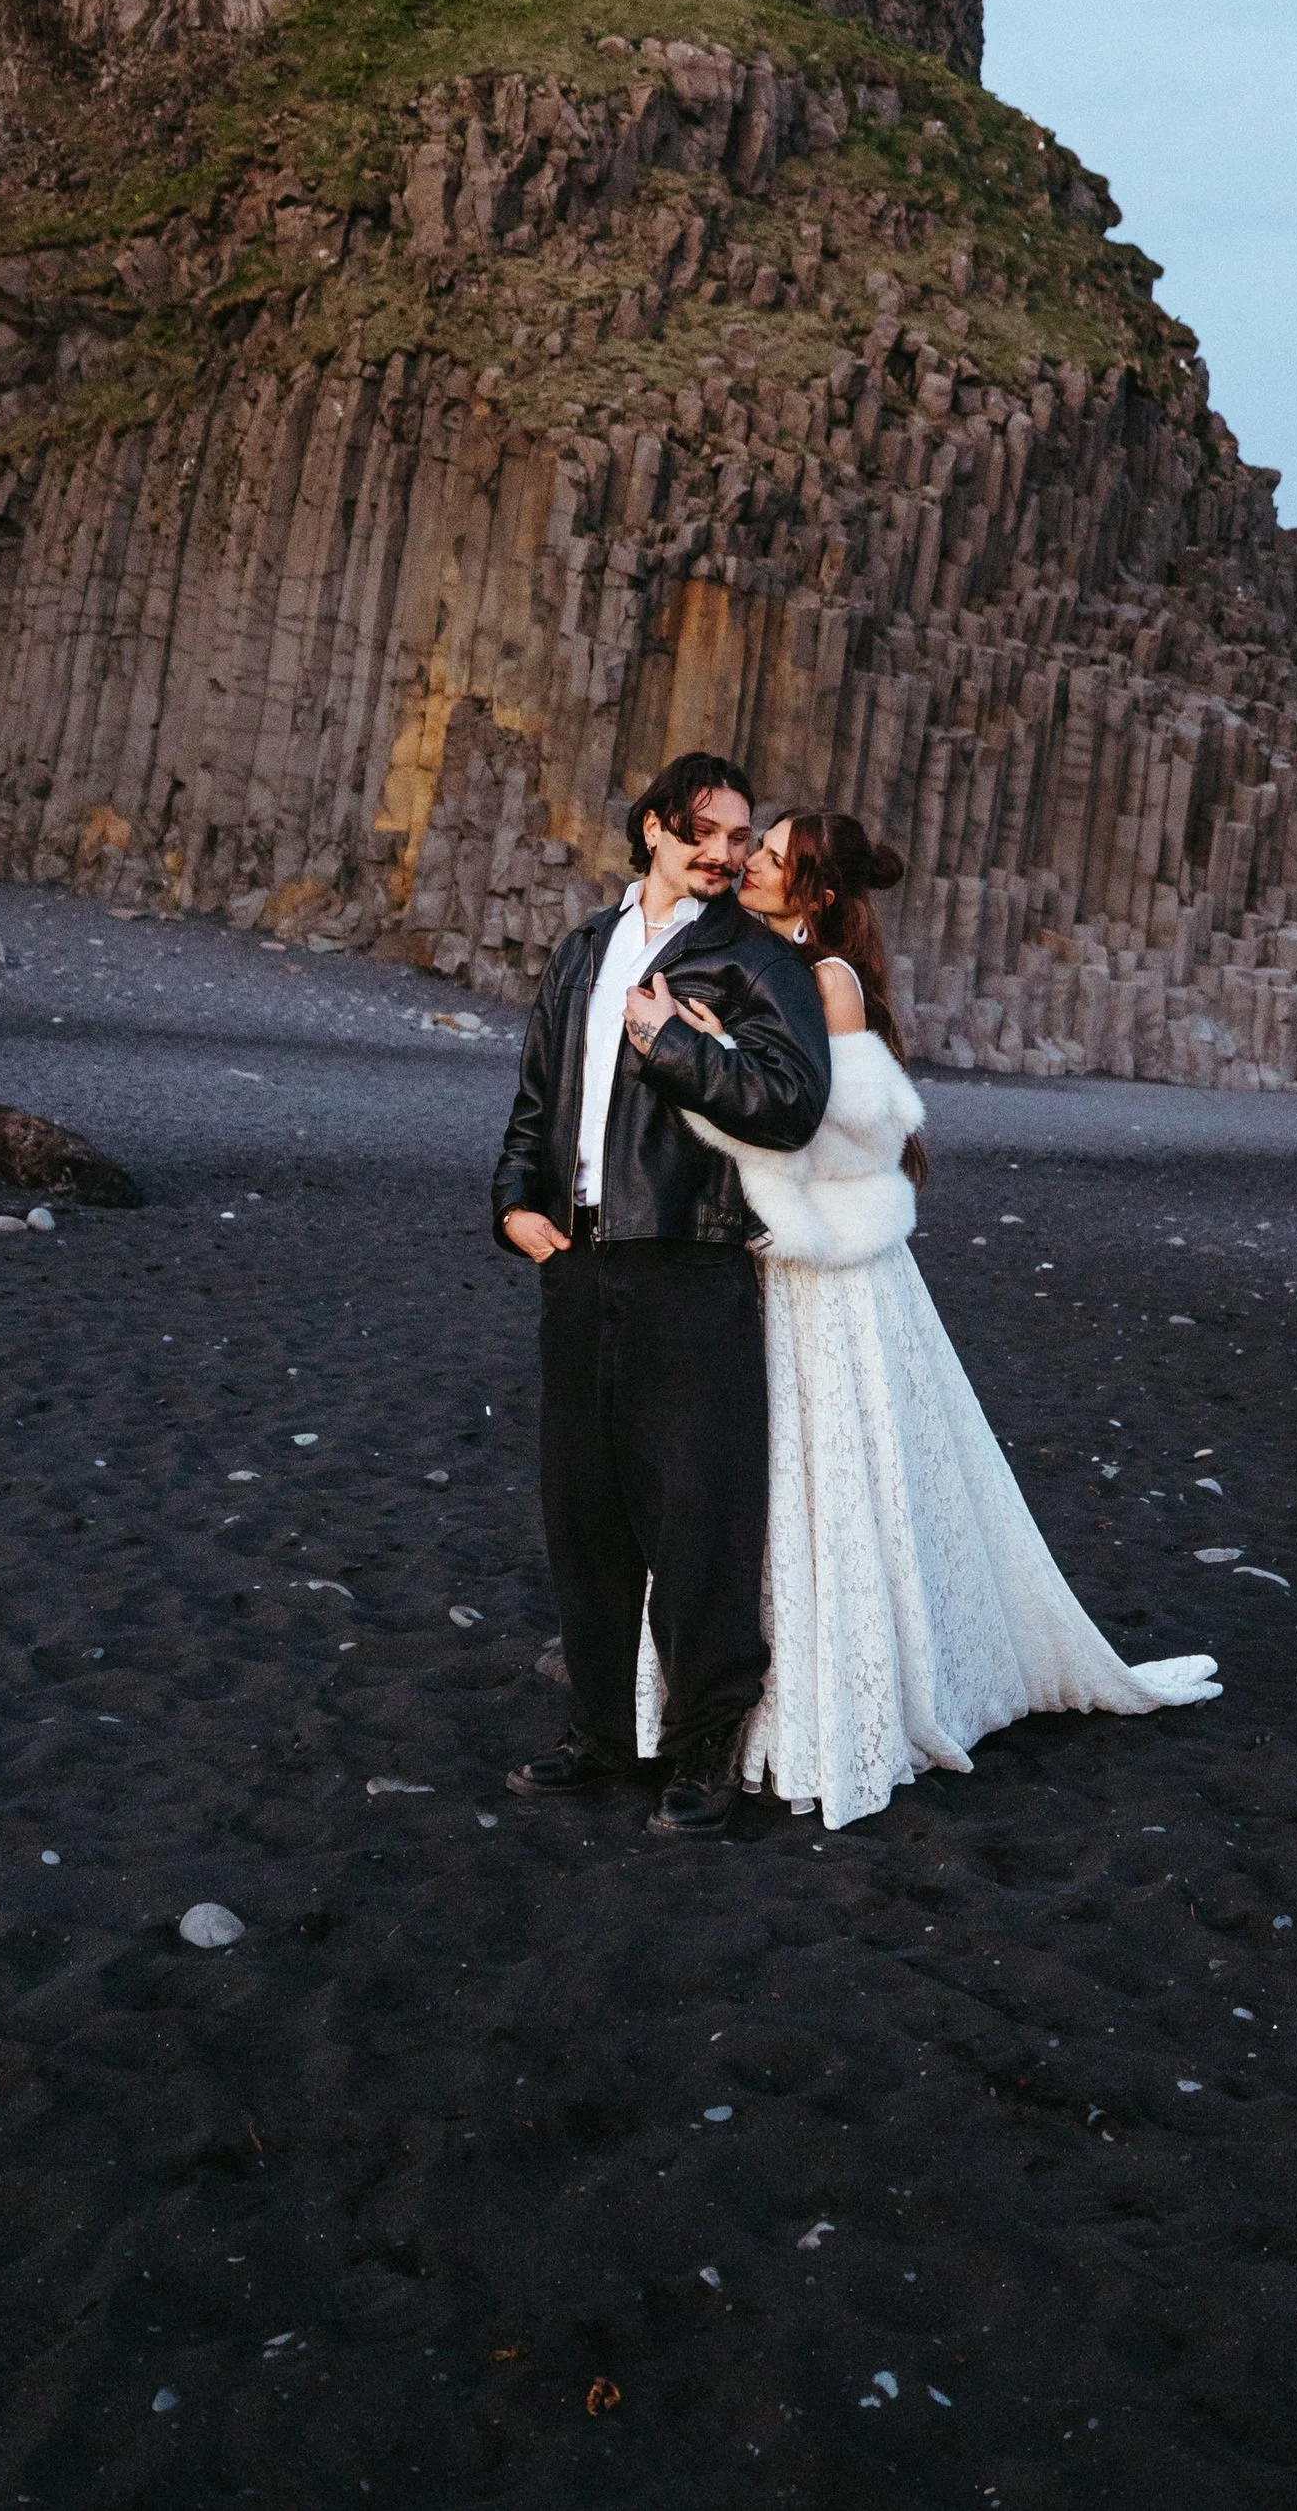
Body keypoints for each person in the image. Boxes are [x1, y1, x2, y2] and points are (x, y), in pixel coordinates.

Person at [647, 809, 1220, 1830]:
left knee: (822, 1469)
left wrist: (707, 1073)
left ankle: (824, 1705)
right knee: (752, 1475)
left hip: (826, 1262)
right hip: (769, 1256)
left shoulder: (824, 981)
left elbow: (850, 1137)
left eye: (771, 861)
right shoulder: (758, 963)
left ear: (816, 893)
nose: (748, 869)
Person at [491, 750, 830, 1837]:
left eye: (741, 837)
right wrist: (509, 1206)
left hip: (692, 1259)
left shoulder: (754, 960)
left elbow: (791, 1104)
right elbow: (537, 1094)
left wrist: (677, 1045)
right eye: (706, 832)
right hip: (576, 1261)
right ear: (652, 830)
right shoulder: (585, 947)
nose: (727, 854)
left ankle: (701, 1754)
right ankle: (597, 1735)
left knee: (698, 1519)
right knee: (582, 1515)